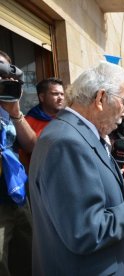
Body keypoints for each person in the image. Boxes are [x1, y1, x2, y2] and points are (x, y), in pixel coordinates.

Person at [29, 62, 124, 275]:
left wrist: (123, 186)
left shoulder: (77, 133)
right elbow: (85, 232)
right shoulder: (67, 142)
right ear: (100, 98)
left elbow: (82, 195)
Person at [0, 50, 38, 276]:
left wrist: (15, 111)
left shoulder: (10, 108)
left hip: (18, 197)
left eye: (5, 70)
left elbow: (31, 145)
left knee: (28, 256)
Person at [19, 77, 65, 172]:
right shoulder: (27, 123)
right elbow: (22, 158)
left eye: (62, 94)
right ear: (42, 97)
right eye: (55, 94)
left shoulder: (68, 119)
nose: (60, 98)